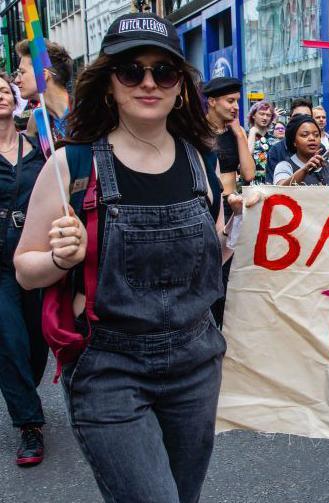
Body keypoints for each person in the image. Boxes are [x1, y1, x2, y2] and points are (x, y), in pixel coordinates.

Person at [13, 13, 258, 501]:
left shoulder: (199, 157)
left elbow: (210, 258)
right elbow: (25, 270)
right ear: (109, 84)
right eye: (131, 71)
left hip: (196, 364)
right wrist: (60, 259)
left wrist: (236, 228)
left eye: (163, 72)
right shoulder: (73, 164)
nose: (148, 82)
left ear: (180, 87)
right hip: (109, 369)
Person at [0, 72, 48, 466]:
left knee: (35, 344)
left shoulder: (37, 144)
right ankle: (29, 425)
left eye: (4, 89)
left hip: (33, 256)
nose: (0, 95)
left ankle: (22, 389)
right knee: (9, 340)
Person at [13, 40, 73, 155]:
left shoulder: (86, 111)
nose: (17, 80)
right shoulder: (36, 119)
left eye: (22, 72)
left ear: (43, 75)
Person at [203, 76, 254, 196]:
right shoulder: (197, 131)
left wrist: (239, 135)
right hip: (206, 204)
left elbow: (249, 175)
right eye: (230, 101)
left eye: (237, 101)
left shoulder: (238, 132)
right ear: (212, 102)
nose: (236, 106)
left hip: (232, 202)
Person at [273, 114, 329, 186]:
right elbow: (280, 191)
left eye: (316, 135)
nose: (312, 138)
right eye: (305, 135)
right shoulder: (285, 166)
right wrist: (305, 170)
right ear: (294, 141)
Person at [265, 99, 313, 183]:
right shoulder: (276, 151)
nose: (302, 121)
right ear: (290, 119)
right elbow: (272, 188)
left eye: (307, 117)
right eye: (297, 117)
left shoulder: (319, 148)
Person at [246, 100, 277, 184]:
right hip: (250, 184)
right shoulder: (245, 137)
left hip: (270, 184)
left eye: (268, 115)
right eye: (261, 114)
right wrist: (252, 132)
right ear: (253, 115)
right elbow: (246, 157)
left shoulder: (275, 141)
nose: (265, 118)